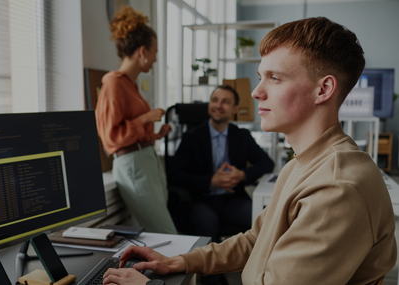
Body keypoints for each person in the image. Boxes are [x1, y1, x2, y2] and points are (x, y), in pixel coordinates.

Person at [103, 17, 397, 285]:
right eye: (260, 76)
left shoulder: (338, 189)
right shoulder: (300, 164)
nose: (256, 92)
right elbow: (257, 239)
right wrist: (181, 261)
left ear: (323, 90)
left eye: (275, 78)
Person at [95, 6, 177, 234]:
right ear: (142, 52)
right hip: (133, 165)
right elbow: (111, 137)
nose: (155, 59)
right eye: (155, 52)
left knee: (160, 231)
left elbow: (131, 131)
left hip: (144, 160)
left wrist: (155, 134)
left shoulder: (130, 84)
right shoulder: (113, 83)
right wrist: (146, 118)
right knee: (166, 233)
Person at [168, 85, 274, 243]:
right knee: (207, 223)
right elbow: (174, 175)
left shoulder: (241, 136)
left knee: (265, 218)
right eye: (214, 100)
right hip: (202, 200)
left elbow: (267, 163)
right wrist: (210, 182)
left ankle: (256, 264)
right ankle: (207, 266)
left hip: (233, 199)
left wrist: (241, 175)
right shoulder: (192, 137)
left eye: (225, 102)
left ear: (235, 109)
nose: (218, 105)